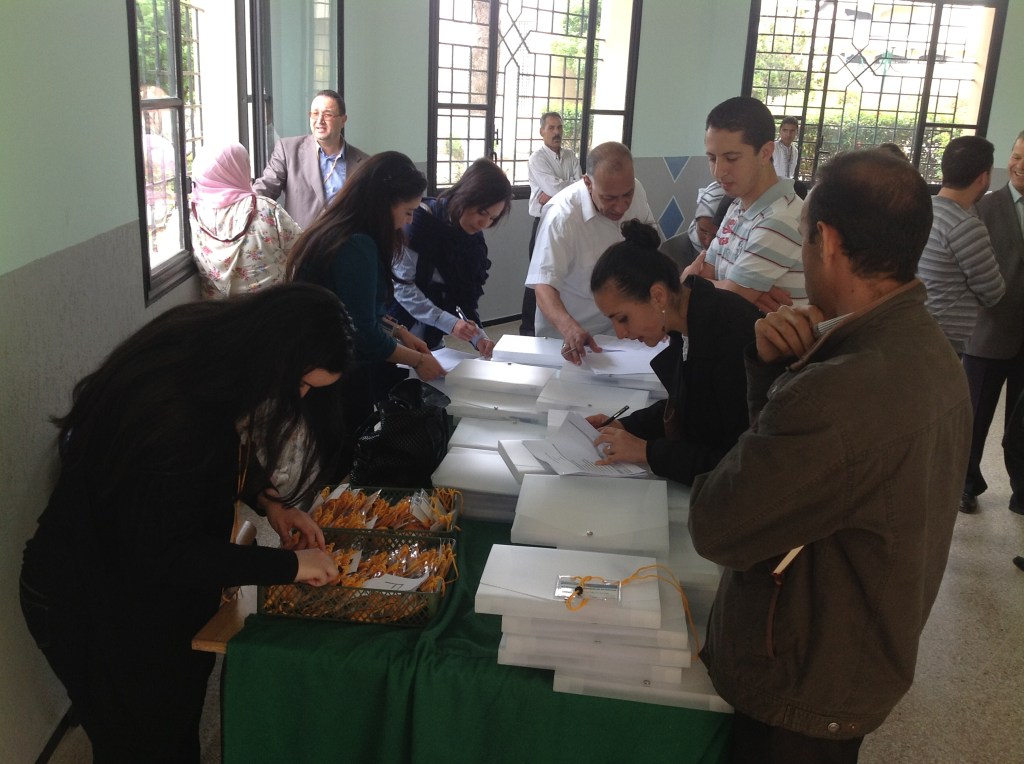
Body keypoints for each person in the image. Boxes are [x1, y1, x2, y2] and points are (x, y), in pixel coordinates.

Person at [688, 149, 971, 762]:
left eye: (805, 238)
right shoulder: (932, 351)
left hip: (801, 677)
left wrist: (786, 385)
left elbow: (718, 524)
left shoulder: (837, 392)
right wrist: (776, 372)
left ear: (829, 240)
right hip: (861, 651)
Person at [19, 284, 352, 762]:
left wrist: (272, 503)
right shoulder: (177, 412)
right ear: (276, 355)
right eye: (301, 384)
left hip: (143, 584)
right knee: (140, 740)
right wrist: (292, 567)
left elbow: (225, 456)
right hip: (91, 596)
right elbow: (170, 553)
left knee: (173, 720)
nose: (299, 397)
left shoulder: (212, 351)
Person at [287, 151, 445, 457]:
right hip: (330, 369)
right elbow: (362, 334)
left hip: (328, 362)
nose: (408, 221)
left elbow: (355, 309)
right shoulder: (356, 244)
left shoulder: (345, 229)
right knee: (342, 452)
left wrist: (399, 331)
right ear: (384, 203)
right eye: (408, 211)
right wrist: (418, 360)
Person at [585, 220, 760, 485]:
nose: (620, 333)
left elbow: (740, 463)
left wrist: (647, 452)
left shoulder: (729, 336)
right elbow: (688, 408)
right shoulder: (689, 320)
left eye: (622, 318)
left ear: (658, 296)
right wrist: (626, 427)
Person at [526, 141, 657, 364]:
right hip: (570, 337)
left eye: (627, 194)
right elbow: (543, 287)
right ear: (587, 183)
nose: (621, 206)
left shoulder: (637, 190)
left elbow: (650, 249)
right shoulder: (562, 216)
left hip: (621, 332)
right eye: (609, 198)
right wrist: (570, 328)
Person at [685, 96, 806, 313]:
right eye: (712, 158)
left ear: (765, 153)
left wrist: (691, 282)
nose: (718, 171)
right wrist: (723, 288)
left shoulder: (781, 218)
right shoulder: (737, 206)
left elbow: (724, 302)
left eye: (731, 158)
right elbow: (707, 276)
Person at [389, 157, 512, 357]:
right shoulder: (419, 223)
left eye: (492, 218)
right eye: (482, 212)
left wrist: (477, 336)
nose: (484, 223)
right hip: (397, 331)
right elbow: (402, 287)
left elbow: (463, 296)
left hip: (432, 337)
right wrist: (449, 323)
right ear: (466, 195)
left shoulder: (473, 241)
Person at [961, 131, 1024, 514]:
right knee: (975, 417)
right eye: (1016, 156)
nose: (1019, 165)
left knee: (1021, 425)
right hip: (988, 333)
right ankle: (965, 484)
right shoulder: (984, 208)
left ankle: (1022, 490)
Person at [916, 135, 1004, 355]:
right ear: (983, 177)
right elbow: (992, 292)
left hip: (916, 326)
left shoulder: (922, 209)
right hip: (943, 340)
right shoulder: (966, 226)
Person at [189, 142, 302, 298]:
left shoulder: (193, 216)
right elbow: (301, 249)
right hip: (271, 307)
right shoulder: (265, 209)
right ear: (239, 169)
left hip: (218, 310)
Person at [253, 89, 369, 228]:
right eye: (315, 114)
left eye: (327, 114)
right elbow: (266, 188)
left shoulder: (363, 163)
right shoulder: (288, 150)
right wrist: (243, 207)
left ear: (343, 120)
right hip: (301, 240)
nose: (319, 121)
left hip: (345, 240)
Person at [521, 112, 582, 335]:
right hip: (543, 223)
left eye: (559, 128)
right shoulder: (537, 159)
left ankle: (556, 327)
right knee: (537, 278)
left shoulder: (571, 156)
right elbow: (559, 187)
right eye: (551, 128)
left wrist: (555, 193)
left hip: (568, 222)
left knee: (563, 276)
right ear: (542, 132)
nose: (557, 132)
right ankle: (528, 330)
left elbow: (580, 187)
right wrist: (565, 187)